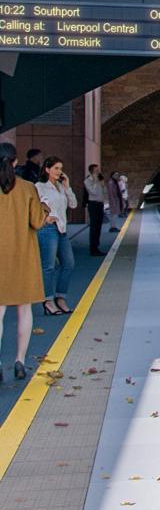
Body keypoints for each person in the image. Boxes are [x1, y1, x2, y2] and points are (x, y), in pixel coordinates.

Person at [0, 144, 47, 381]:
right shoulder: (28, 188)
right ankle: (19, 361)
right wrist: (46, 209)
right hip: (23, 257)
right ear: (16, 162)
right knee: (24, 310)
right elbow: (37, 222)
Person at [34, 157, 77, 316]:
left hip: (62, 229)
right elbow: (33, 207)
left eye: (61, 168)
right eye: (56, 168)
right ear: (47, 169)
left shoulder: (61, 186)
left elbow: (73, 205)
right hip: (48, 229)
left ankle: (61, 298)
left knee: (69, 264)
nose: (60, 171)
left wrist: (68, 187)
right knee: (49, 266)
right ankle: (48, 301)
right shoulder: (39, 187)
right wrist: (44, 218)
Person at [83, 163, 108, 256]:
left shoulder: (100, 179)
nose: (98, 172)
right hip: (93, 204)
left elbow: (103, 190)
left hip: (100, 204)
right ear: (92, 171)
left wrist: (101, 182)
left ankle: (97, 246)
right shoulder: (87, 181)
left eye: (98, 170)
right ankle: (92, 248)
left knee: (98, 226)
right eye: (96, 170)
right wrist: (94, 181)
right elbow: (93, 192)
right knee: (93, 226)